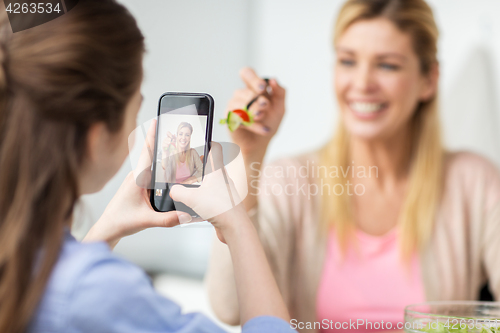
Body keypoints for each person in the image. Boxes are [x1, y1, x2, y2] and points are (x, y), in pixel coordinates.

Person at [0, 1, 296, 332]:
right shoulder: (101, 292)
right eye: (137, 105)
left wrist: (103, 232)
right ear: (97, 139)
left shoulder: (25, 264)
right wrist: (237, 224)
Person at [206, 0, 500, 332]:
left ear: (428, 79)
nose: (362, 82)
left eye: (387, 65)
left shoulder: (475, 182)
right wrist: (249, 155)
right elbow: (229, 306)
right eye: (348, 61)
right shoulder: (290, 180)